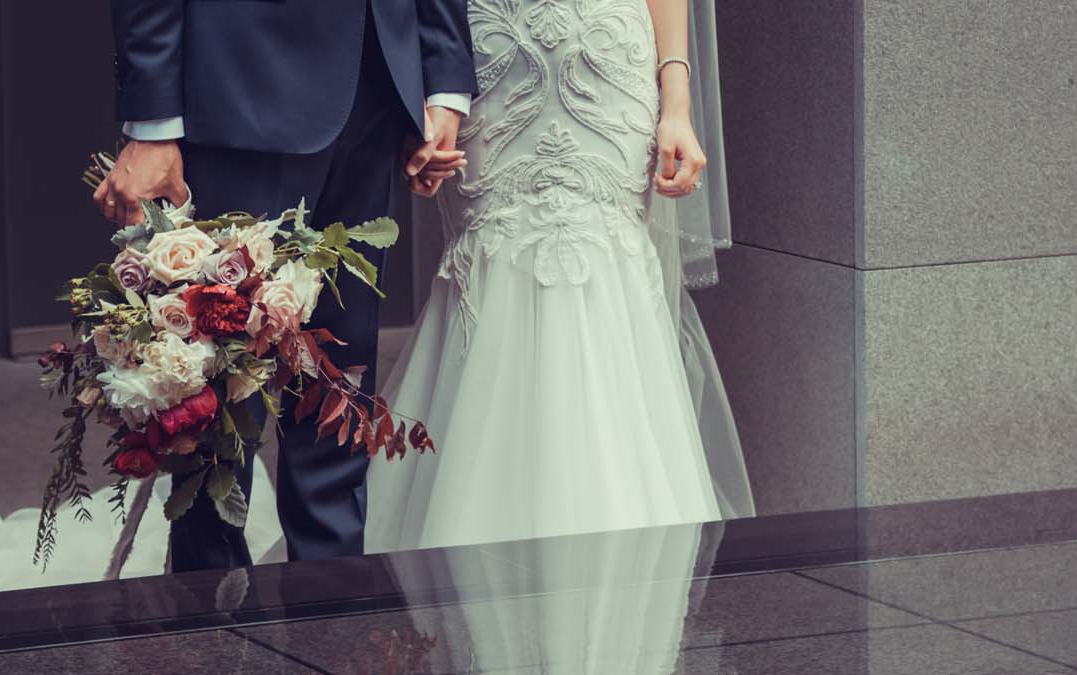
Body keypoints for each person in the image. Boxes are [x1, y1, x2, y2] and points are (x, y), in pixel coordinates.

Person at [96, 0, 478, 572]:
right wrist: (152, 121)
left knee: (339, 381)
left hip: (378, 84)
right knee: (215, 387)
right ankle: (211, 619)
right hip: (242, 84)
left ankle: (332, 602)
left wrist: (443, 77)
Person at [365, 0, 754, 553]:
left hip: (606, 54)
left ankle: (621, 555)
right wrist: (426, 91)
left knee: (605, 268)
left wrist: (677, 102)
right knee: (492, 264)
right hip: (490, 54)